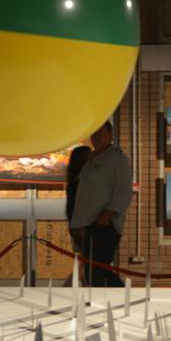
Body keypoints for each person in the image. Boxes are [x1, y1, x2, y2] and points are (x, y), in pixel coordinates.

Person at [69, 121, 132, 288]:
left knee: (99, 270)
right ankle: (101, 300)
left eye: (100, 133)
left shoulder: (117, 159)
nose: (96, 137)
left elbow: (124, 191)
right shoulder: (90, 159)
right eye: (94, 133)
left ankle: (122, 297)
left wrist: (106, 217)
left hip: (103, 224)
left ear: (111, 134)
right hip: (86, 224)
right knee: (91, 272)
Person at [63, 145, 91, 287]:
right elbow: (79, 205)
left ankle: (84, 286)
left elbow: (71, 207)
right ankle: (79, 287)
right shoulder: (82, 181)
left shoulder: (73, 180)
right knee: (87, 263)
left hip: (77, 225)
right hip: (83, 226)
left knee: (84, 261)